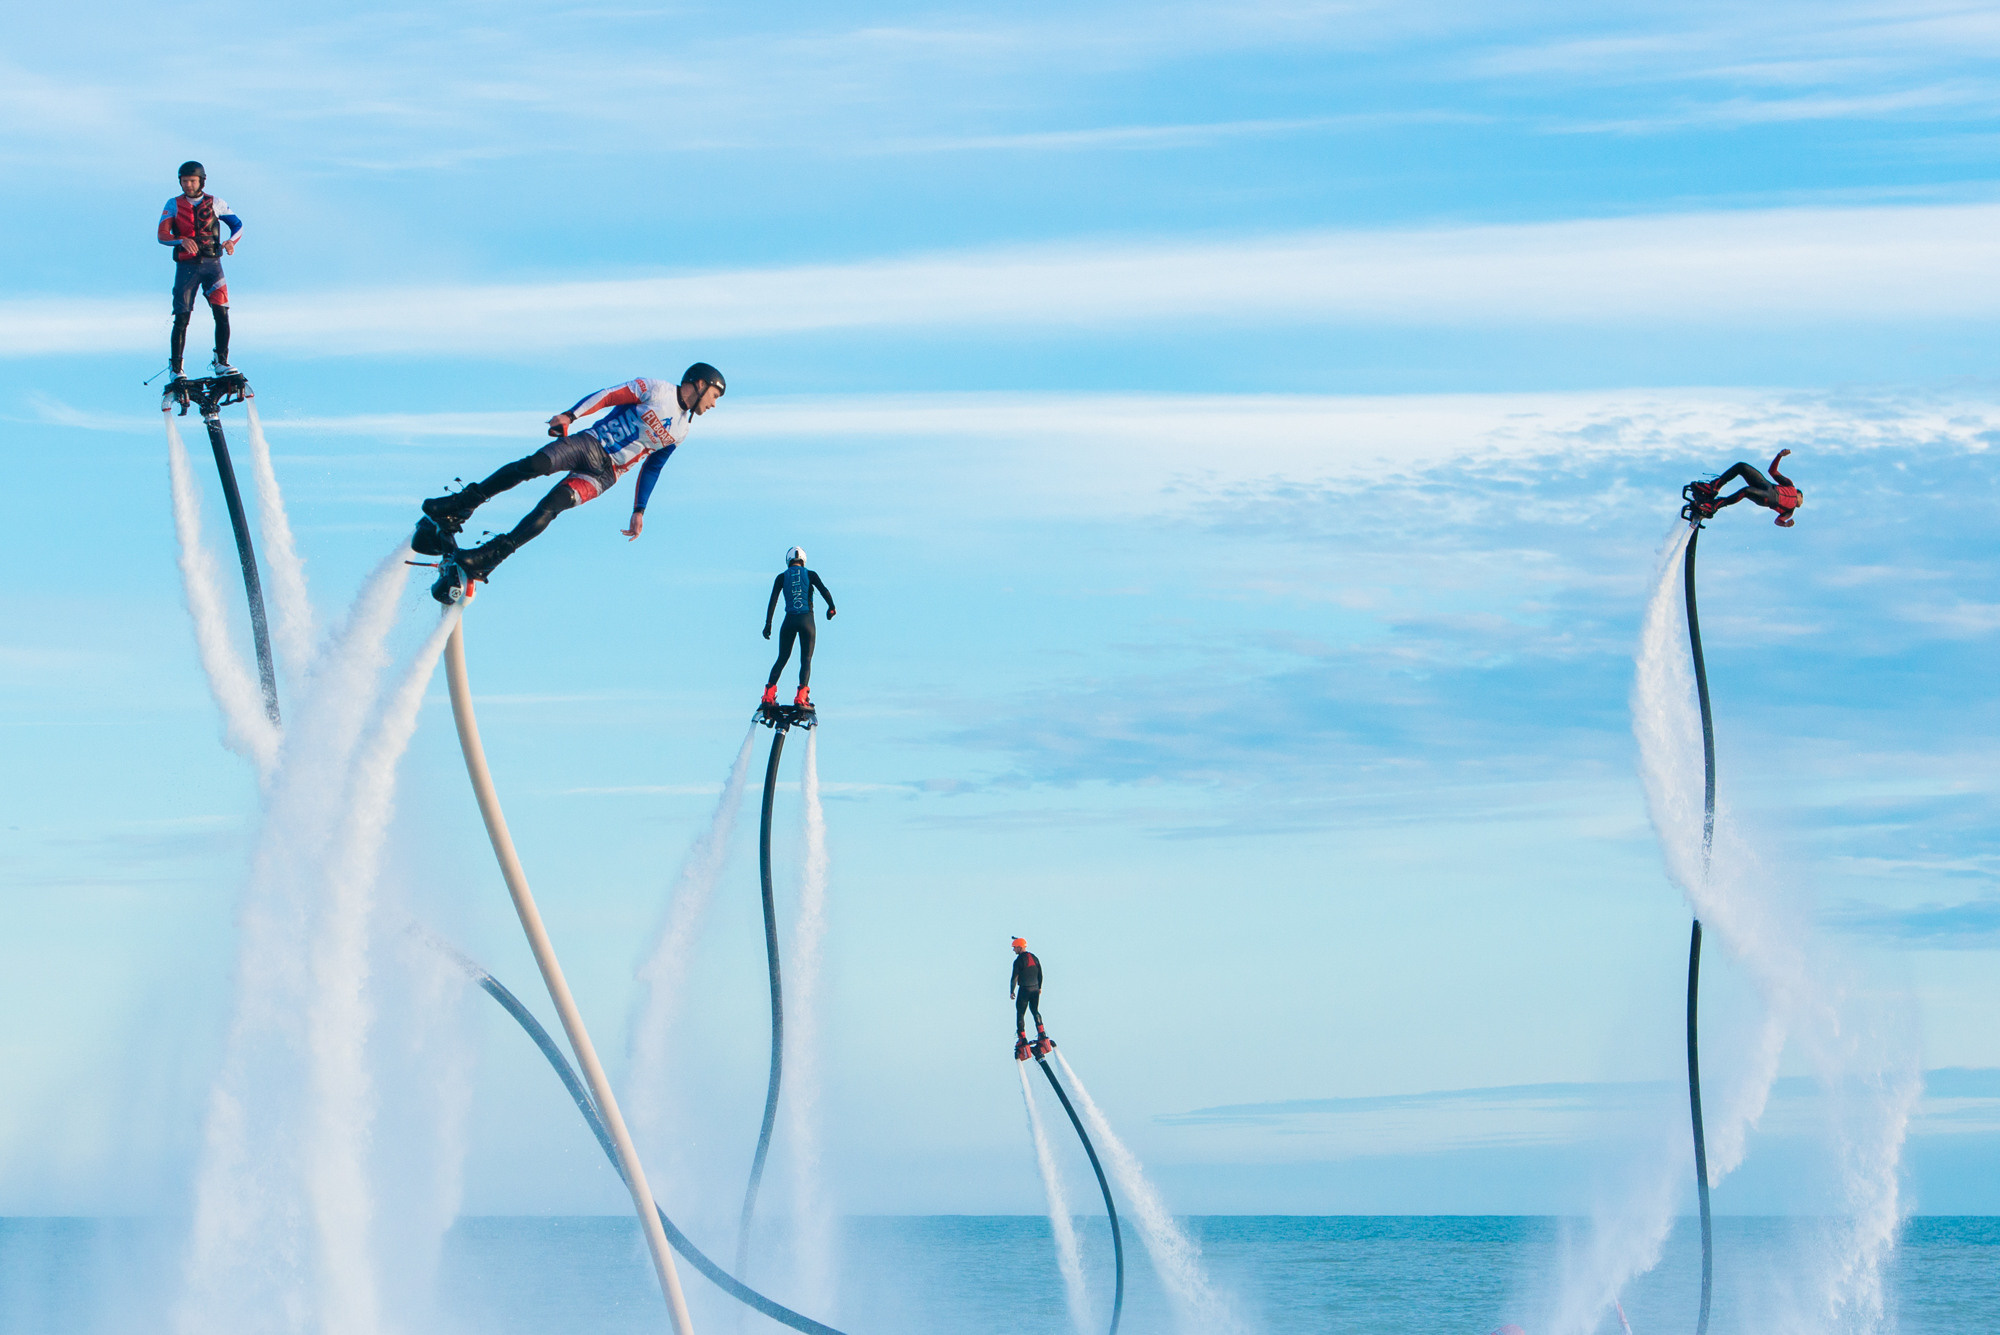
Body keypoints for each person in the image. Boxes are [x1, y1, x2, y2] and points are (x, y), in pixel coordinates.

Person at [414, 364, 726, 598]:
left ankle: (490, 557)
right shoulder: (655, 389)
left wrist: (639, 508)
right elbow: (607, 396)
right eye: (713, 395)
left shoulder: (681, 432)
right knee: (532, 465)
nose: (713, 404)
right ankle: (462, 505)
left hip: (606, 474)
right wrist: (570, 415)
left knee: (551, 507)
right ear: (698, 384)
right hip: (589, 444)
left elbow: (654, 466)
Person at [157, 161, 243, 378]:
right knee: (182, 317)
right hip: (187, 268)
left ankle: (221, 361)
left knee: (221, 313)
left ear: (201, 181)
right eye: (184, 181)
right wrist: (181, 240)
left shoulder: (216, 202)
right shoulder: (173, 204)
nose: (188, 185)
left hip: (213, 265)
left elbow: (237, 225)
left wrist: (232, 242)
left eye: (192, 181)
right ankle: (176, 368)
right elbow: (162, 235)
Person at [761, 547, 836, 709]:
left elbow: (772, 601)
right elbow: (825, 591)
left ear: (788, 561)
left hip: (789, 621)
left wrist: (768, 624)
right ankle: (801, 697)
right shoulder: (811, 574)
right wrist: (831, 608)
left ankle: (768, 695)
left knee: (782, 658)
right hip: (807, 620)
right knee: (806, 659)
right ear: (803, 560)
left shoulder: (781, 577)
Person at [1685, 449, 1803, 527]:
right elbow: (1772, 471)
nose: (1801, 503)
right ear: (1799, 494)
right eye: (1802, 498)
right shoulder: (1790, 485)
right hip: (1766, 485)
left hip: (1768, 498)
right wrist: (1779, 456)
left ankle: (1714, 505)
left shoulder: (1789, 511)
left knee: (1746, 491)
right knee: (1742, 466)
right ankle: (1713, 487)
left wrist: (1785, 524)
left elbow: (1778, 521)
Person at [1010, 937, 1048, 1054]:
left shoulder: (1018, 961)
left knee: (1020, 1013)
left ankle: (1022, 1038)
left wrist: (1012, 991)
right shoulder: (1035, 958)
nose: (1013, 950)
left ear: (1020, 947)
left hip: (1025, 990)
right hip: (1036, 989)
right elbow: (1040, 974)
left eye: (1015, 947)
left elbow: (1014, 978)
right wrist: (1040, 987)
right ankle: (1042, 1034)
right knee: (1035, 1011)